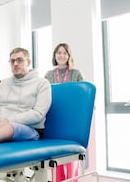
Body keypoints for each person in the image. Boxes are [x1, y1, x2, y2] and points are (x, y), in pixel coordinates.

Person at [44, 43, 84, 182]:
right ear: (55, 55)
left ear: (69, 56)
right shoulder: (48, 75)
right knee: (58, 156)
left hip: (72, 119)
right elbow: (45, 97)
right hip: (55, 118)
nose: (61, 55)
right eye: (59, 53)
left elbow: (81, 96)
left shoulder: (76, 73)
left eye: (64, 53)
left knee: (71, 156)